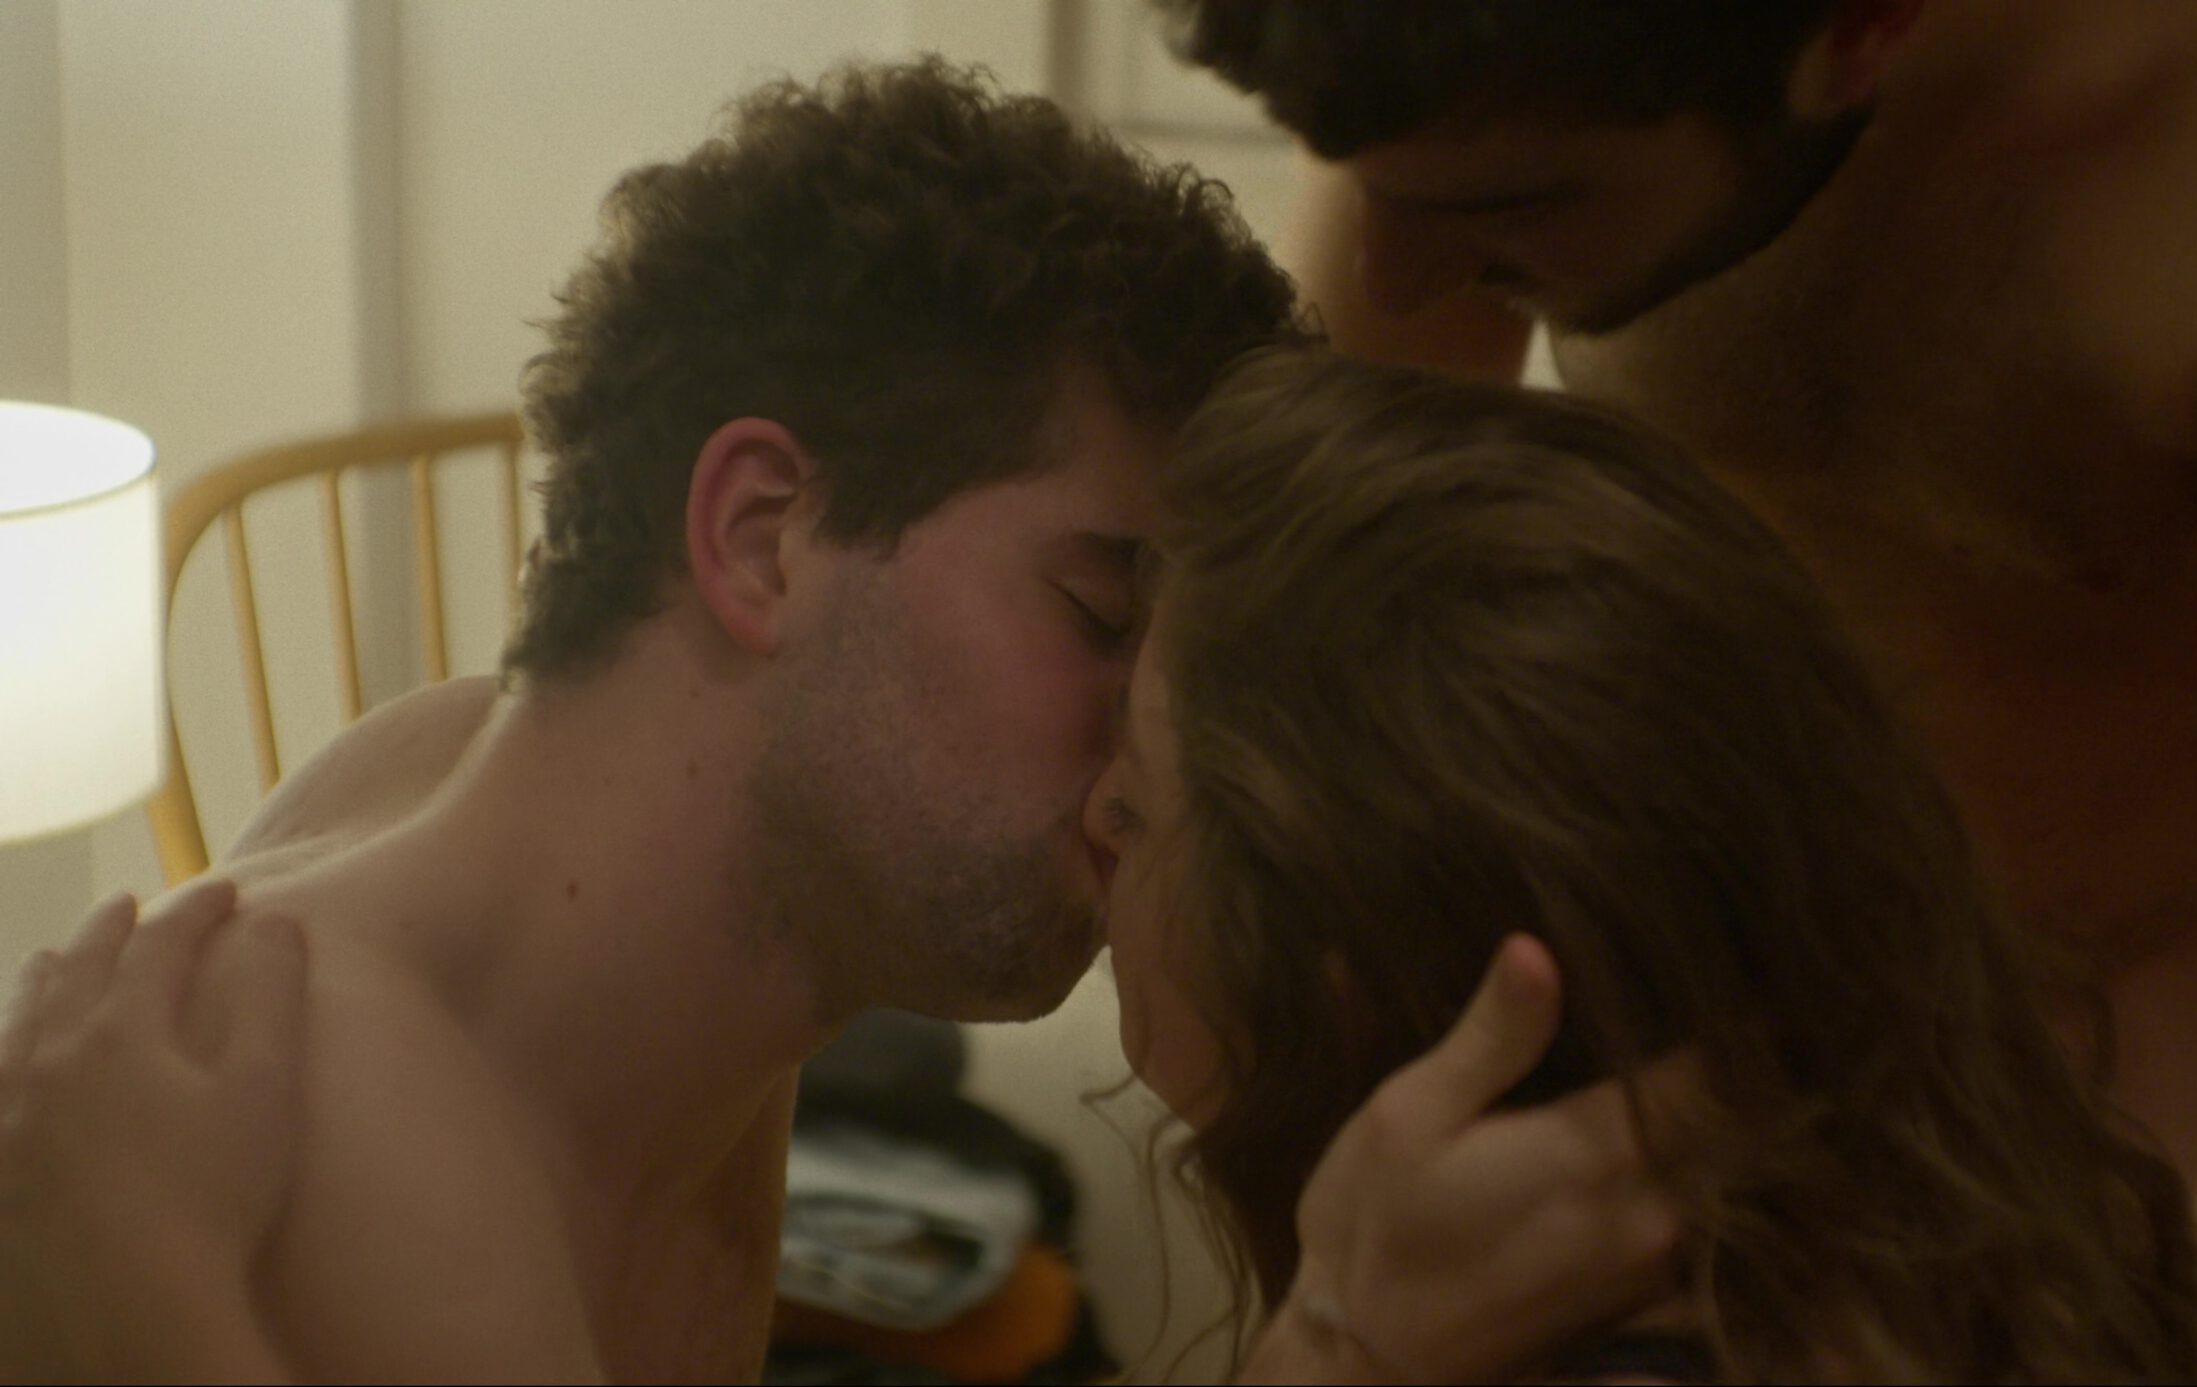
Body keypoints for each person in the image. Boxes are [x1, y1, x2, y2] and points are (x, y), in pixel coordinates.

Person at [0, 59, 1680, 1384]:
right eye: (1099, 614)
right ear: (761, 535)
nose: (1149, 757)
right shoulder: (379, 1176)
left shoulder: (512, 802)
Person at [1157, 0, 2197, 1377]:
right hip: (1637, 1102)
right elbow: (1297, 645)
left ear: (1862, 30)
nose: (1393, 278)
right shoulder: (1495, 65)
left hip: (2093, 1166)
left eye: (1516, 208)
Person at [1085, 345, 2197, 1381]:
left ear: (1340, 979)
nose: (1093, 816)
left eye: (1135, 806)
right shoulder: (1917, 1254)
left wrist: (1336, 1353)